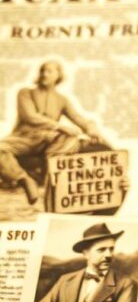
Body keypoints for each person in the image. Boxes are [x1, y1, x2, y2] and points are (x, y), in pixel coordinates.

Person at [0, 61, 106, 205]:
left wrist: (91, 128)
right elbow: (30, 116)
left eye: (50, 71)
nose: (45, 74)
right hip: (24, 138)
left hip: (49, 140)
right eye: (43, 70)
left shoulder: (62, 100)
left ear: (58, 75)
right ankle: (24, 179)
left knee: (71, 139)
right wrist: (60, 126)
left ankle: (51, 179)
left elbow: (77, 118)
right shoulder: (26, 93)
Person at [31, 223, 137, 302]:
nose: (109, 255)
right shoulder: (65, 280)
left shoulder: (125, 283)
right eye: (101, 250)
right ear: (86, 253)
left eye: (111, 249)